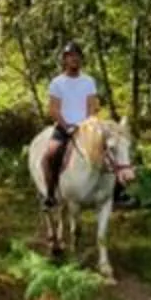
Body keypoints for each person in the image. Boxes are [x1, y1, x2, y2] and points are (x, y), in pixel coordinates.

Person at [41, 42, 100, 202]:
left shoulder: (89, 81)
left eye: (77, 56)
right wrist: (67, 127)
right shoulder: (57, 83)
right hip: (64, 127)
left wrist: (85, 125)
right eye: (70, 56)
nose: (74, 59)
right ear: (65, 60)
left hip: (86, 127)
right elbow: (54, 110)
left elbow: (92, 106)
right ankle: (51, 194)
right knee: (50, 155)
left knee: (110, 149)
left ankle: (117, 192)